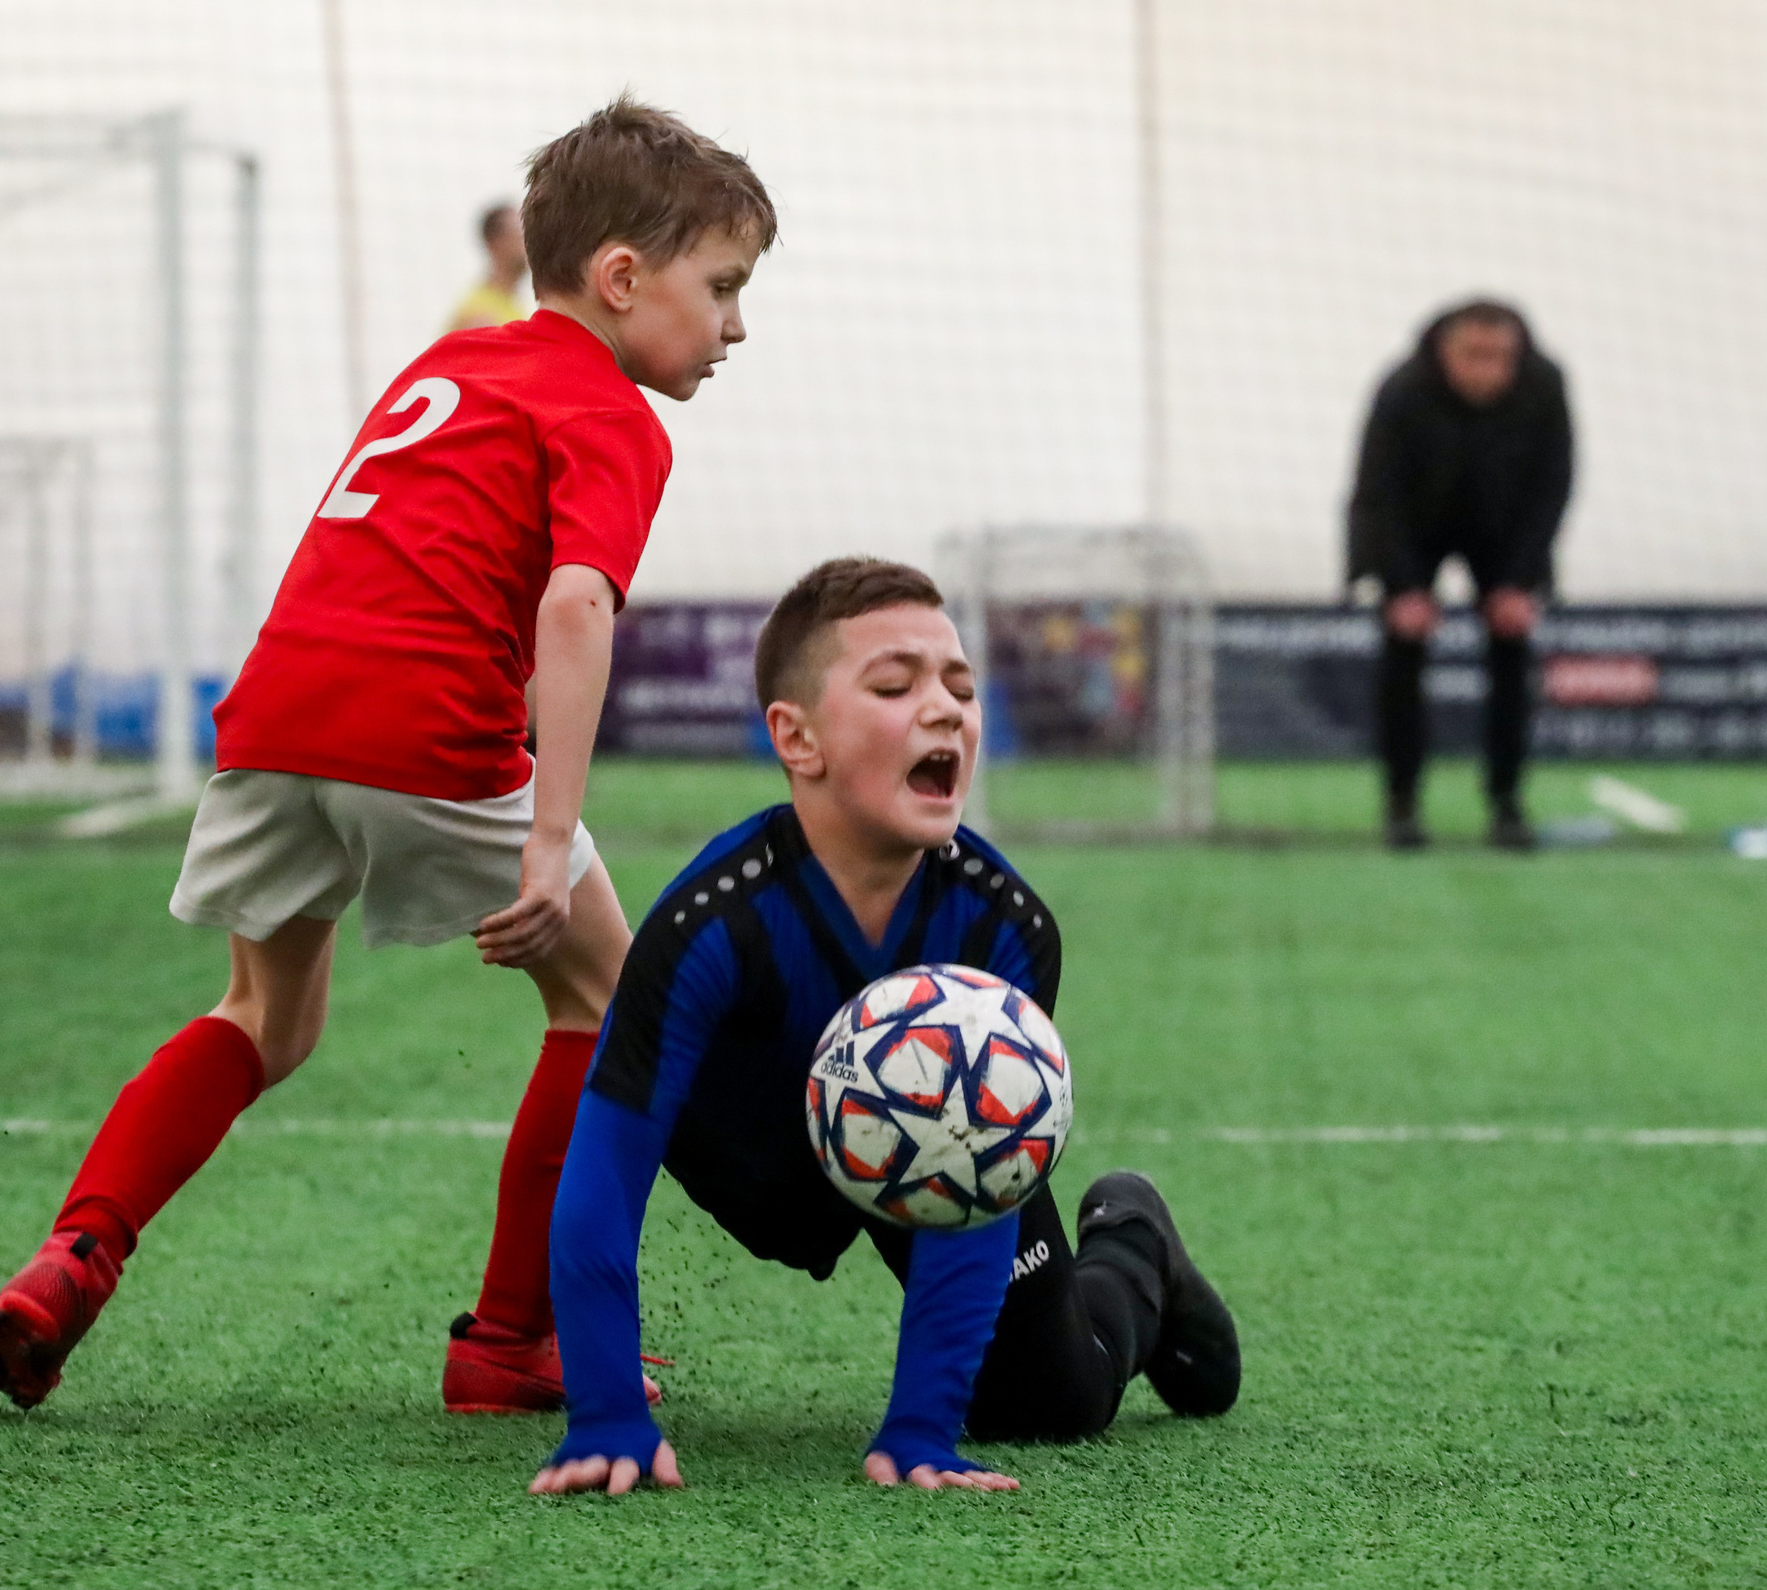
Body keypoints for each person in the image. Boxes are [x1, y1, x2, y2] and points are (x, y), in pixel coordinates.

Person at [0, 96, 776, 1417]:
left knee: (265, 1019)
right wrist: (551, 832)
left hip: (277, 711)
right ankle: (508, 1341)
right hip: (423, 726)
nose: (737, 326)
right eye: (725, 288)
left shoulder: (442, 367)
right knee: (609, 999)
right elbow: (574, 607)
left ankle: (78, 1250)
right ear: (624, 277)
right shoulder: (622, 421)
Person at [532, 557, 1242, 1498]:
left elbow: (972, 1180)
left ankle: (1135, 1239)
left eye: (960, 685)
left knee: (1048, 1403)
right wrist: (610, 1411)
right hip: (749, 1159)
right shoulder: (710, 924)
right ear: (798, 738)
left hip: (923, 1164)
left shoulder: (1005, 929)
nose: (946, 707)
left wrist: (920, 1430)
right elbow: (604, 1182)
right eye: (895, 684)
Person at [1346, 299, 1574, 851]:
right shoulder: (1401, 391)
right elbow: (1377, 494)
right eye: (1474, 356)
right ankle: (1401, 806)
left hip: (1504, 525)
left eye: (1501, 357)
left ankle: (1507, 804)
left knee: (1512, 652)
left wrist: (1520, 582)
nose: (1488, 370)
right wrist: (1400, 588)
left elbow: (1552, 486)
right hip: (1415, 525)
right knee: (1402, 653)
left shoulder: (1544, 387)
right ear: (1444, 354)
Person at [449, 203, 531, 331]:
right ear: (494, 242)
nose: (528, 245)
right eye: (519, 234)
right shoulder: (479, 316)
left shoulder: (513, 303)